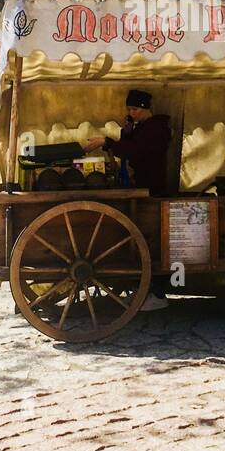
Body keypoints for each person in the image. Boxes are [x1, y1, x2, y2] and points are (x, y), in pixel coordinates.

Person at [83, 89, 173, 310]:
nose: (132, 113)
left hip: (152, 188)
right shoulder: (142, 127)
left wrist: (108, 142)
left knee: (151, 241)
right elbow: (131, 148)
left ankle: (157, 293)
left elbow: (137, 151)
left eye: (135, 109)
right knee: (142, 239)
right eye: (129, 110)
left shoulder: (156, 128)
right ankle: (144, 289)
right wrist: (126, 131)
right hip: (141, 186)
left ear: (145, 109)